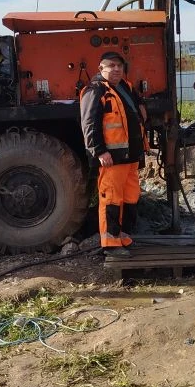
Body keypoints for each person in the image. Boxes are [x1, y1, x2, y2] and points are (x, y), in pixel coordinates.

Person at [80, 50, 148, 254]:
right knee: (111, 199)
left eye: (119, 65)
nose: (116, 69)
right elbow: (89, 124)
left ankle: (123, 236)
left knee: (130, 197)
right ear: (101, 68)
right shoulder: (95, 90)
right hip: (112, 159)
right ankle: (110, 243)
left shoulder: (125, 87)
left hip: (131, 157)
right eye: (111, 65)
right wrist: (100, 152)